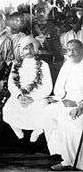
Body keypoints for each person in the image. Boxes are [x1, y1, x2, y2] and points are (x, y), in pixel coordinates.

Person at [3, 35, 53, 143]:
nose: (29, 50)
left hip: (37, 97)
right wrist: (19, 96)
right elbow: (11, 84)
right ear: (22, 50)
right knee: (8, 109)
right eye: (26, 48)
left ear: (35, 50)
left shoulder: (44, 65)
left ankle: (35, 136)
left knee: (43, 111)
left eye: (31, 48)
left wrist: (33, 98)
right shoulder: (16, 64)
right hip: (20, 96)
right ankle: (20, 136)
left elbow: (48, 87)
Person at [45, 39, 83, 170]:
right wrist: (58, 99)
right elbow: (60, 87)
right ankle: (66, 158)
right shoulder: (67, 64)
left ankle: (79, 163)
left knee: (72, 125)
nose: (71, 53)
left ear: (82, 50)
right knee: (49, 113)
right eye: (68, 50)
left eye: (74, 49)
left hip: (81, 104)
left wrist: (79, 105)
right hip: (67, 100)